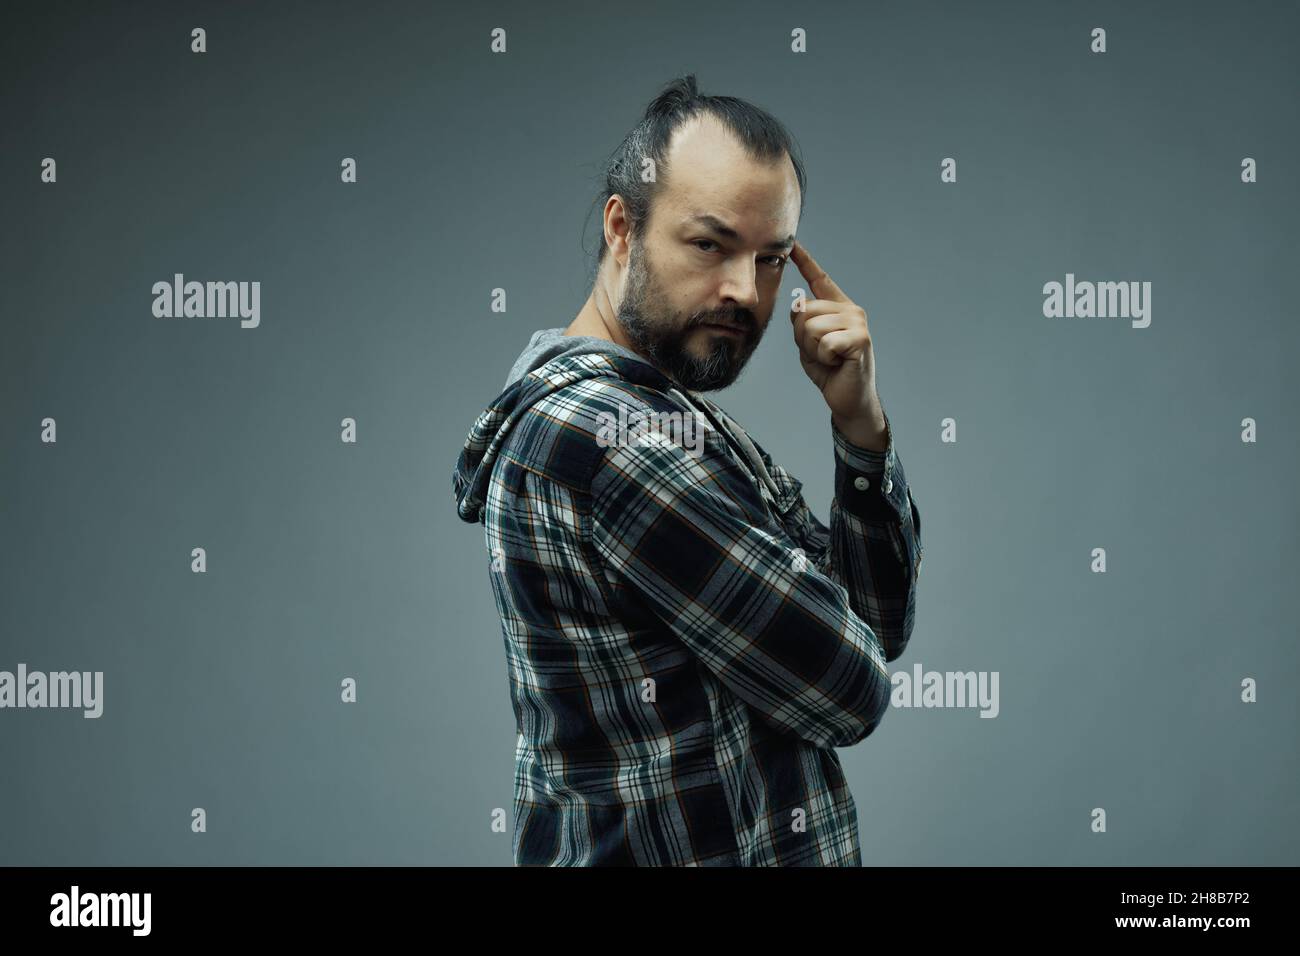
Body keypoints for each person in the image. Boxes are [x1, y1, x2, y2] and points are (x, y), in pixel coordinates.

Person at [452, 74, 922, 866]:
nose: (744, 290)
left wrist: (859, 425)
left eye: (772, 258)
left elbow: (877, 624)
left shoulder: (666, 417)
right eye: (710, 244)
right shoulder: (613, 440)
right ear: (622, 229)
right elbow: (852, 689)